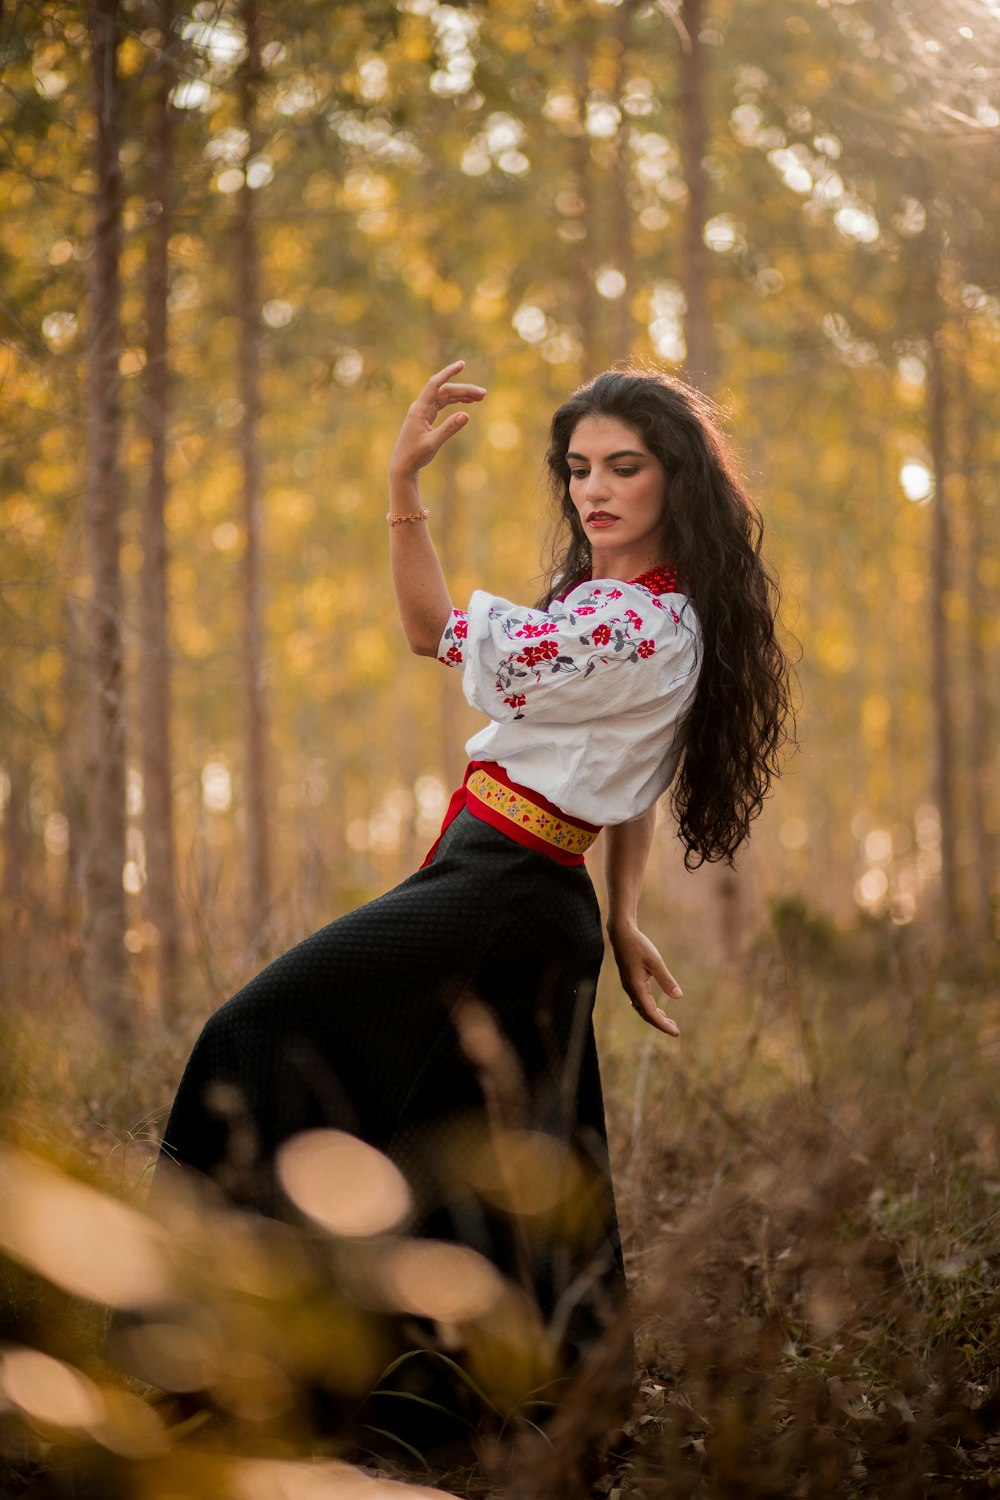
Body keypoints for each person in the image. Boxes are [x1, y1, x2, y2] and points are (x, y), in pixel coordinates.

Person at [155, 361, 792, 1418]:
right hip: (515, 889)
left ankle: (200, 1353)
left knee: (253, 1035)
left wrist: (403, 485)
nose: (594, 489)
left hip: (503, 893)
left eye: (623, 468)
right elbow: (629, 777)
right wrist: (621, 913)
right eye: (579, 468)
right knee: (464, 1152)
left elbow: (428, 629)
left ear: (675, 479)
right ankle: (384, 1390)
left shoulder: (634, 627)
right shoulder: (627, 608)